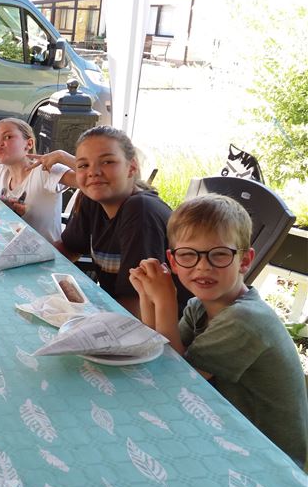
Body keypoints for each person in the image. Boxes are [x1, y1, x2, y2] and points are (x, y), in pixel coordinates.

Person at [128, 195, 308, 466]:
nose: (203, 266)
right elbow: (158, 353)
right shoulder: (198, 307)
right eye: (189, 254)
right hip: (224, 427)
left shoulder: (245, 320)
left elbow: (174, 379)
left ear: (244, 260)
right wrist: (147, 295)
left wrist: (164, 300)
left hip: (270, 459)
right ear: (173, 261)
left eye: (220, 254)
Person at [53, 125, 189, 317]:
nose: (93, 172)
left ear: (131, 167)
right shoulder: (92, 198)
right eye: (83, 165)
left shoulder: (141, 211)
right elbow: (69, 248)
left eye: (107, 161)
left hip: (164, 325)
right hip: (117, 307)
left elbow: (140, 301)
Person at [0, 118, 75, 244]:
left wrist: (62, 156)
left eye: (8, 137)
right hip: (8, 246)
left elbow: (91, 177)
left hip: (45, 255)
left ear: (29, 144)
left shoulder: (46, 171)